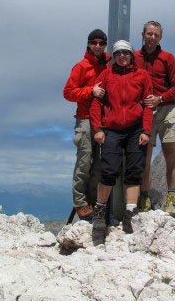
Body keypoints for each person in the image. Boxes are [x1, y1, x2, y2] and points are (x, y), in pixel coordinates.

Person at [89, 40, 153, 242]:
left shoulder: (142, 75)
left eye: (126, 53)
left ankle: (130, 214)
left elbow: (149, 104)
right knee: (108, 171)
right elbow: (96, 102)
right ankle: (100, 214)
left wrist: (147, 131)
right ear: (114, 56)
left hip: (136, 130)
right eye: (118, 53)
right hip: (112, 130)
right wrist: (98, 129)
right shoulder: (106, 75)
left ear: (132, 55)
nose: (122, 56)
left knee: (134, 171)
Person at [134, 21, 175, 218]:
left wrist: (160, 98)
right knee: (144, 157)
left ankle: (172, 198)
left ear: (160, 37)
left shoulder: (168, 58)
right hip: (145, 112)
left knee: (170, 154)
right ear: (143, 34)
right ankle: (144, 196)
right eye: (149, 34)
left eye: (156, 35)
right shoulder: (134, 58)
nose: (152, 37)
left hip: (167, 109)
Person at [63, 29, 110, 221]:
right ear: (89, 44)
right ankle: (80, 203)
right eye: (94, 42)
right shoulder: (81, 66)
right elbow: (68, 92)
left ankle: (92, 202)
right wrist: (91, 91)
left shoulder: (110, 64)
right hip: (84, 119)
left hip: (103, 121)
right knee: (84, 161)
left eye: (101, 43)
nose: (98, 46)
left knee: (99, 164)